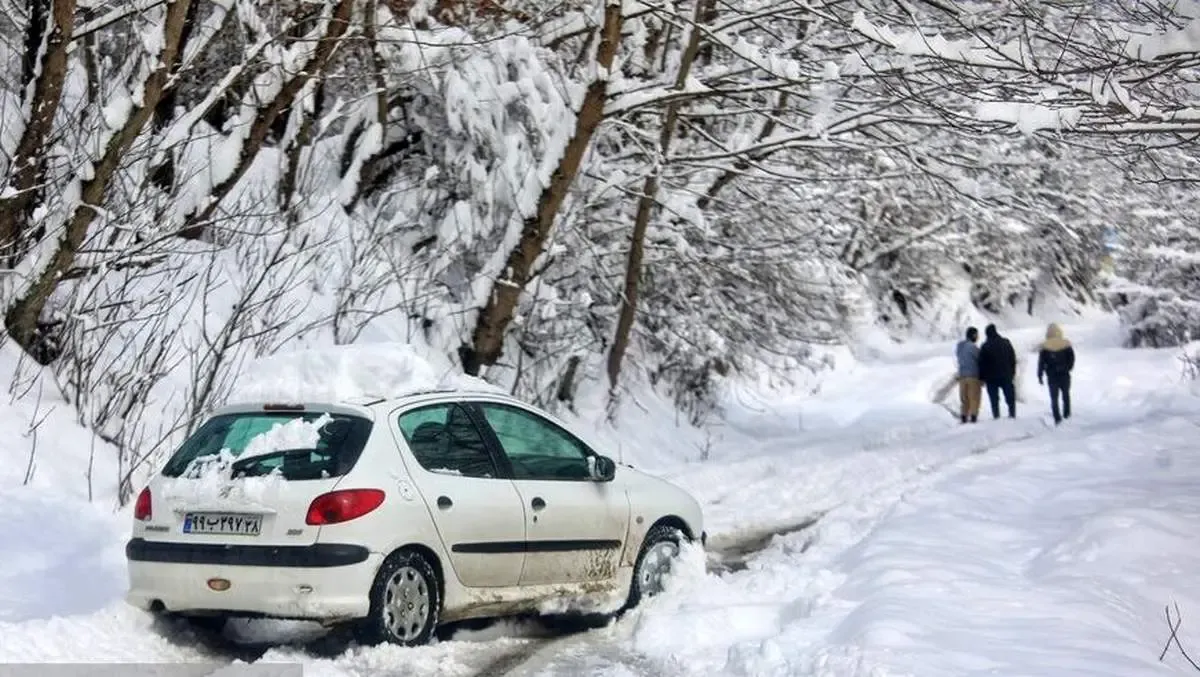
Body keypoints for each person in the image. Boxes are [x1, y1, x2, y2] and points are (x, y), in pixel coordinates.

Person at [1037, 323, 1075, 424]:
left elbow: (1041, 362)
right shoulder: (1066, 344)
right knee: (1066, 395)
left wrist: (1040, 375)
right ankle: (1067, 415)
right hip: (1064, 375)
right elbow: (1071, 358)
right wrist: (1068, 368)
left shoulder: (1045, 347)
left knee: (1054, 398)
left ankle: (1057, 417)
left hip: (1052, 376)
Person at [978, 323, 1017, 419]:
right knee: (1009, 396)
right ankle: (1012, 414)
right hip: (1006, 375)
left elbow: (982, 363)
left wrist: (982, 378)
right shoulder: (1006, 342)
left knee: (994, 399)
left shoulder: (985, 346)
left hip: (991, 378)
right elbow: (1012, 358)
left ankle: (996, 416)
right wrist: (1012, 372)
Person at [954, 326, 982, 423]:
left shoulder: (959, 346)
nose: (978, 337)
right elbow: (980, 359)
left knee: (964, 398)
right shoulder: (973, 347)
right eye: (977, 335)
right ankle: (973, 417)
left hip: (962, 376)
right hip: (973, 376)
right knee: (974, 398)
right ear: (973, 335)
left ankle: (964, 416)